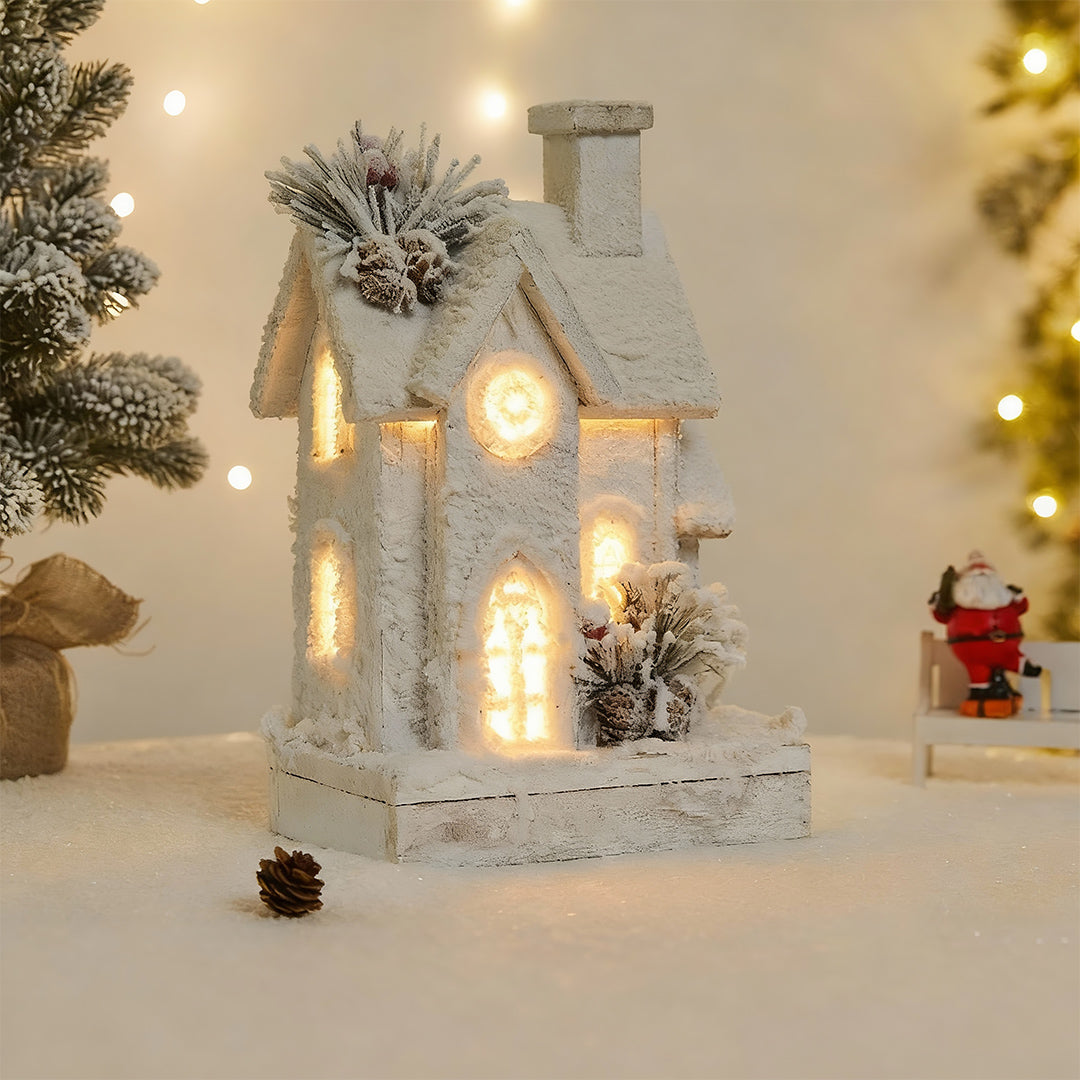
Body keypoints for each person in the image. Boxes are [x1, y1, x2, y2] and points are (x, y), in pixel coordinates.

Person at [929, 550, 1041, 717]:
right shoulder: (958, 600)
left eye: (985, 576)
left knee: (1009, 660)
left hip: (1007, 650)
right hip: (973, 653)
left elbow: (1022, 607)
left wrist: (1020, 596)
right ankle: (984, 697)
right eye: (976, 576)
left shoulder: (1005, 595)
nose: (981, 579)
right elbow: (942, 615)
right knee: (979, 674)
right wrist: (936, 603)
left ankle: (1019, 666)